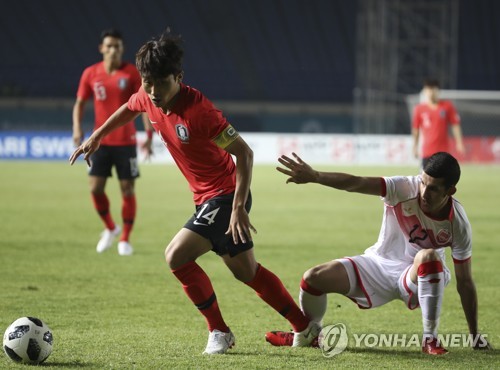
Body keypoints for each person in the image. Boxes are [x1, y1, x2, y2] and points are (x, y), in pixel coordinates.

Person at [69, 30, 316, 355]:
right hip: (208, 199)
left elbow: (244, 154)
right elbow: (130, 107)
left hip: (227, 196)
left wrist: (239, 207)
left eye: (161, 82)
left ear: (179, 77)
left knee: (177, 255)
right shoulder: (148, 96)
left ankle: (219, 331)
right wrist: (98, 134)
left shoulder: (199, 111)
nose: (153, 92)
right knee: (247, 272)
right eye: (147, 82)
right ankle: (306, 328)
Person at [265, 151, 491, 355]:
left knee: (429, 255)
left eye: (433, 188)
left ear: (450, 191)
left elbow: (465, 282)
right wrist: (315, 176)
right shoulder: (403, 187)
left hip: (418, 278)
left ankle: (430, 339)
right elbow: (356, 182)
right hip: (378, 264)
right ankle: (309, 334)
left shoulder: (457, 223)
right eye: (423, 182)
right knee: (313, 278)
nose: (424, 192)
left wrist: (474, 334)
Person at [72, 29, 153, 256]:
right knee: (96, 188)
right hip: (100, 142)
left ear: (122, 49)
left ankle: (125, 238)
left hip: (126, 142)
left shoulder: (131, 73)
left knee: (127, 189)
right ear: (101, 48)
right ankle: (111, 227)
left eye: (117, 46)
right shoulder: (91, 73)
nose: (113, 50)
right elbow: (80, 103)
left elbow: (144, 103)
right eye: (109, 46)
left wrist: (148, 134)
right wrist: (77, 128)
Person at [412, 78, 465, 167]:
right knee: (425, 180)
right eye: (428, 89)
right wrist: (415, 147)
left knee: (443, 179)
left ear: (438, 91)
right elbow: (416, 129)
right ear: (424, 91)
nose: (431, 92)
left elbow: (455, 125)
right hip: (427, 152)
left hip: (443, 152)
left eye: (433, 89)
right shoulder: (419, 109)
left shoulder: (447, 106)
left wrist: (459, 142)